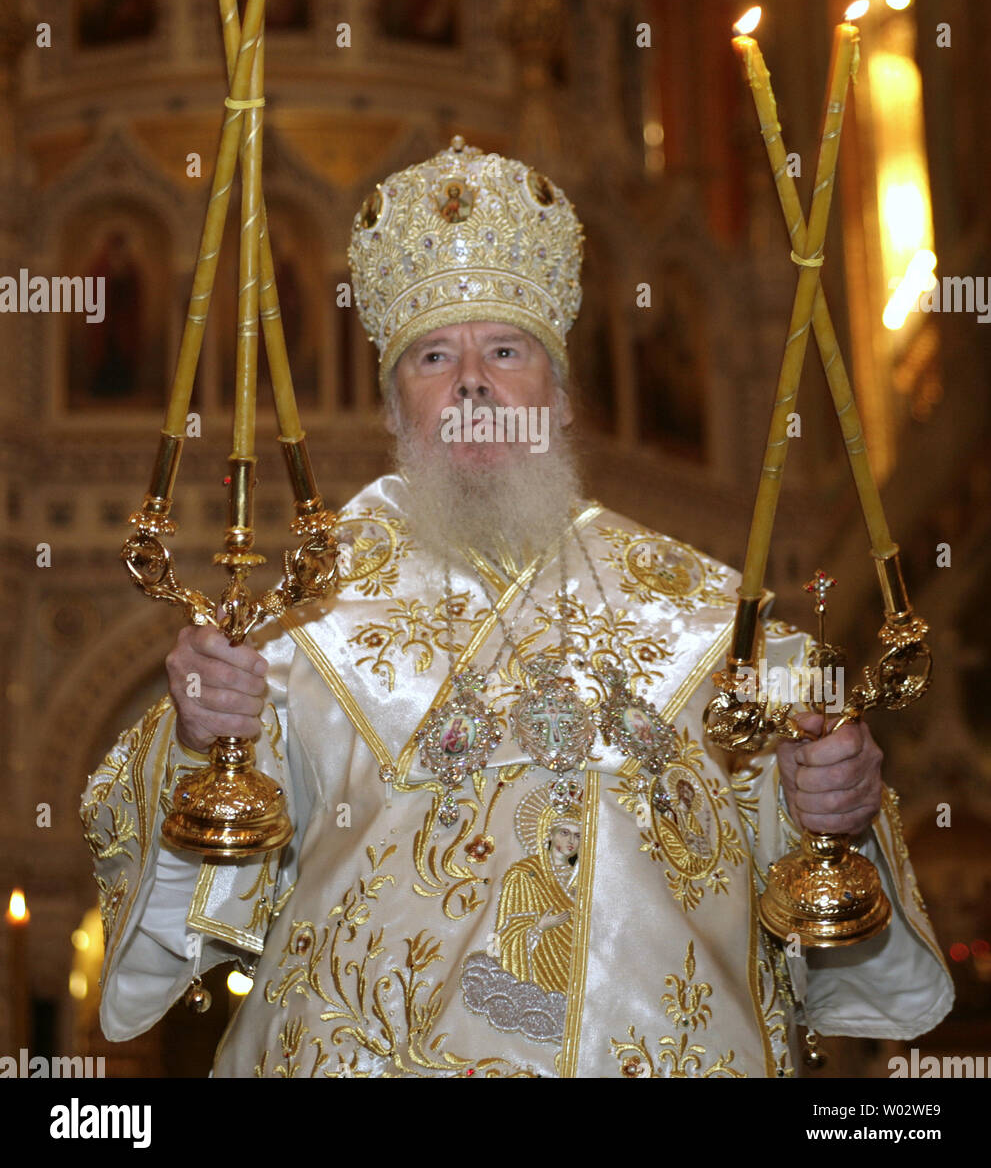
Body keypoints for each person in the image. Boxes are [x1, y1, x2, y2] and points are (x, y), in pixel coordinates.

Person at [82, 137, 952, 1078]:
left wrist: (837, 800)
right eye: (431, 357)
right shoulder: (295, 629)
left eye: (505, 350)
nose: (471, 382)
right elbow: (174, 924)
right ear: (395, 414)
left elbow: (829, 882)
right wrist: (198, 731)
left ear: (563, 401)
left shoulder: (713, 622)